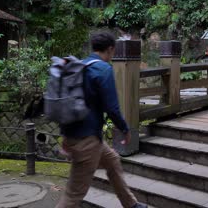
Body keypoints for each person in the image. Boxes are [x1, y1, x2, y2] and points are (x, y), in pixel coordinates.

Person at [55, 32, 147, 208]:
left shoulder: (79, 66)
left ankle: (130, 204)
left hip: (83, 136)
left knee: (112, 161)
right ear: (111, 49)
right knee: (73, 195)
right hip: (87, 142)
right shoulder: (103, 69)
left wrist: (65, 136)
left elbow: (64, 102)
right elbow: (112, 108)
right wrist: (125, 129)